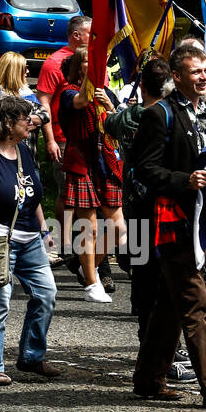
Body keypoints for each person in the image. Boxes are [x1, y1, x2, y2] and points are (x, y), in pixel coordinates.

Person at [131, 45, 206, 408]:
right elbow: (144, 169)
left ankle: (149, 379)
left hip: (197, 220)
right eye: (196, 72)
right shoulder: (158, 114)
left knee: (169, 306)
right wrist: (185, 180)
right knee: (196, 305)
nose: (204, 77)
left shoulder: (203, 115)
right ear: (177, 77)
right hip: (170, 223)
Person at [0, 95, 59, 384]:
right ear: (7, 123)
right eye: (24, 120)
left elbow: (31, 194)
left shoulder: (23, 152)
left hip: (29, 239)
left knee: (47, 294)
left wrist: (43, 230)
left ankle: (31, 356)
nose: (30, 123)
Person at [105, 56, 172, 337]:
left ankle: (141, 309)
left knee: (142, 256)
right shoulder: (169, 114)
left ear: (142, 85)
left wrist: (116, 108)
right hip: (161, 195)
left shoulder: (133, 115)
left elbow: (110, 125)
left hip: (134, 192)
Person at [58, 49, 125, 302]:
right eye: (88, 61)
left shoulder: (106, 93)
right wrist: (92, 78)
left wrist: (110, 106)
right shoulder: (68, 92)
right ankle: (92, 284)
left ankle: (87, 268)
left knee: (119, 229)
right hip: (82, 163)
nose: (96, 65)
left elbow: (118, 125)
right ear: (78, 66)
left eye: (97, 61)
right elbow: (79, 102)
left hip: (105, 163)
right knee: (90, 228)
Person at [36, 15, 92, 268]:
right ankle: (64, 241)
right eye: (90, 33)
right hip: (62, 137)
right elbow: (44, 102)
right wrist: (49, 139)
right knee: (65, 193)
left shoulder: (91, 63)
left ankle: (82, 245)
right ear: (76, 35)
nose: (94, 38)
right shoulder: (54, 63)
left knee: (84, 195)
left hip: (87, 139)